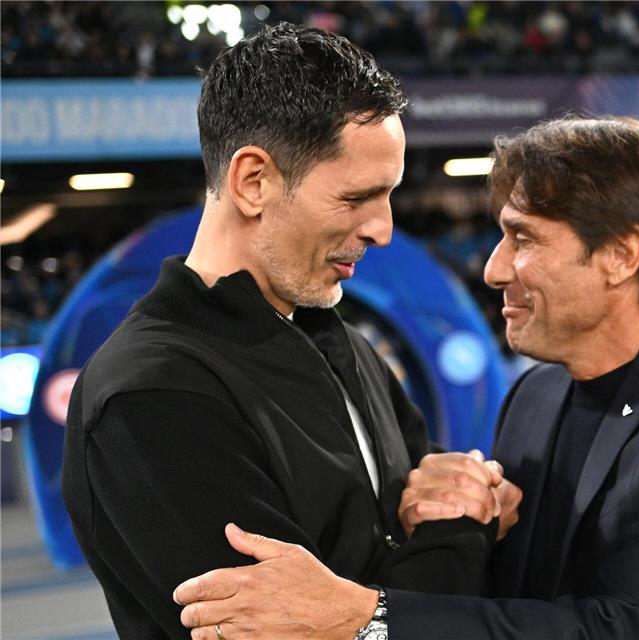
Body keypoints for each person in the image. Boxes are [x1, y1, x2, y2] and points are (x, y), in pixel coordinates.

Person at [174, 116, 639, 640]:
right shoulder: (535, 395)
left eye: (522, 239)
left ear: (621, 255)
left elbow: (638, 629)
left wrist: (366, 616)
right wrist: (459, 522)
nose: (494, 270)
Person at [61, 23, 521, 639]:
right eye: (357, 197)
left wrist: (456, 500)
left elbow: (412, 515)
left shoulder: (344, 346)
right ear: (253, 181)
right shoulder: (152, 395)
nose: (382, 230)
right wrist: (460, 528)